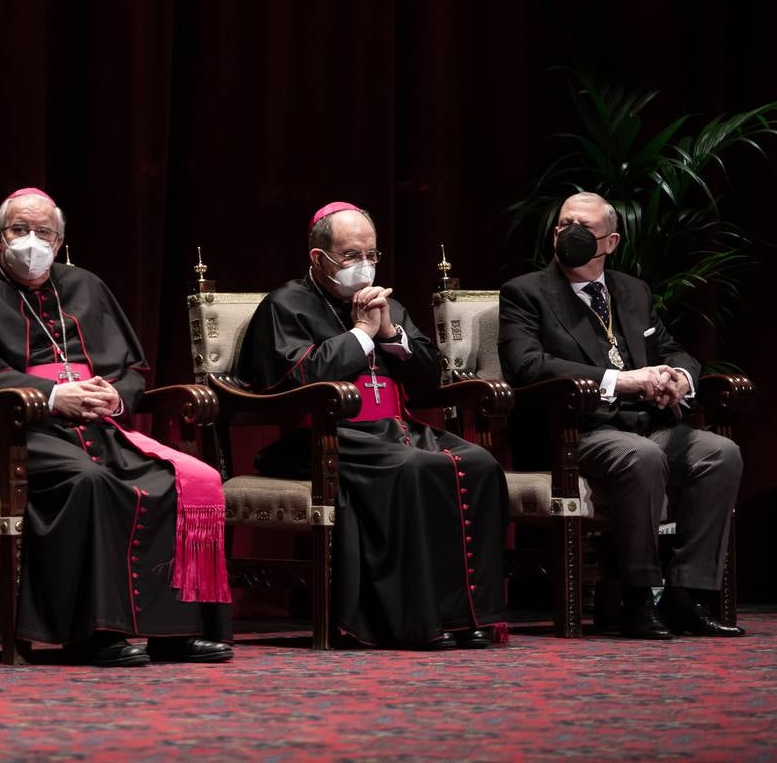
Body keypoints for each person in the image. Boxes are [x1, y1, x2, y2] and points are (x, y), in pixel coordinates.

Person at [0, 187, 233, 666]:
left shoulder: (86, 286)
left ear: (59, 242)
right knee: (89, 481)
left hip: (98, 430)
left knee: (172, 481)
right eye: (20, 230)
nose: (32, 241)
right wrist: (55, 396)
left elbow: (130, 369)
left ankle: (176, 632)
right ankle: (90, 633)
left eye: (44, 232)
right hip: (15, 439)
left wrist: (115, 395)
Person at [234, 201, 508, 650]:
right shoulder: (286, 304)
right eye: (351, 257)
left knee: (478, 463)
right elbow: (296, 381)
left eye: (372, 255)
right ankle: (411, 620)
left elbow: (429, 378)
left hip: (394, 431)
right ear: (318, 259)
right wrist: (361, 333)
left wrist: (389, 336)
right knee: (413, 468)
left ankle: (466, 615)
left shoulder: (389, 306)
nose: (364, 267)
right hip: (322, 437)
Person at [498, 191, 744, 639]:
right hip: (578, 431)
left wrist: (678, 378)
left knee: (721, 453)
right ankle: (639, 594)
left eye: (583, 228)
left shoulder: (632, 290)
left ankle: (686, 591)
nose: (569, 234)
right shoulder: (526, 293)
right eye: (563, 225)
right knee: (640, 457)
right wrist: (623, 380)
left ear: (610, 242)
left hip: (647, 426)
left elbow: (671, 349)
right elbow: (527, 367)